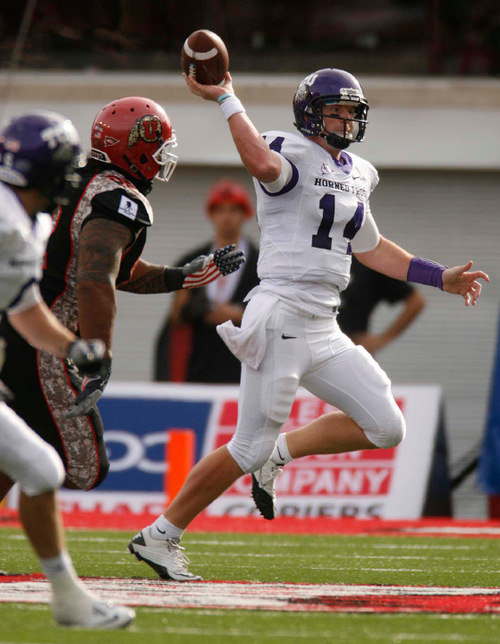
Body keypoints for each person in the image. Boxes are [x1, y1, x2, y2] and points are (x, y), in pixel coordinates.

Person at [128, 67, 488, 580]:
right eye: (336, 109)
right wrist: (227, 97)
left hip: (323, 321)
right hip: (281, 311)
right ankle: (160, 536)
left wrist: (439, 276)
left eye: (351, 111)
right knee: (244, 446)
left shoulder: (358, 172)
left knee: (386, 426)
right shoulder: (286, 149)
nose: (346, 119)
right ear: (309, 113)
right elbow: (258, 161)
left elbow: (375, 249)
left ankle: (283, 450)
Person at [0, 96, 245, 498]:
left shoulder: (76, 181)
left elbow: (112, 270)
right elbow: (96, 278)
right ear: (136, 147)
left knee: (22, 444)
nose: (163, 157)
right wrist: (100, 355)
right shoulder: (117, 199)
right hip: (45, 339)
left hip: (15, 323)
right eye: (157, 147)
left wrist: (183, 276)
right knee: (84, 467)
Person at [0, 110, 135, 627]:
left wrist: (72, 348)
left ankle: (68, 599)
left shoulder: (26, 220)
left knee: (41, 469)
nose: (72, 179)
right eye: (64, 167)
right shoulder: (9, 222)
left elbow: (25, 310)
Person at [154, 178, 259, 383]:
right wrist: (196, 309)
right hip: (199, 363)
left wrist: (239, 314)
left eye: (233, 210)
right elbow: (176, 318)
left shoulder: (261, 264)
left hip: (243, 365)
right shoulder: (190, 261)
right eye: (220, 210)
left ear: (245, 214)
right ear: (211, 214)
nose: (227, 218)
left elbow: (275, 313)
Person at [337, 256, 426, 354]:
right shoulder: (321, 255)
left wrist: (382, 339)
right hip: (319, 345)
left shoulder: (366, 260)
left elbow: (416, 301)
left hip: (350, 351)